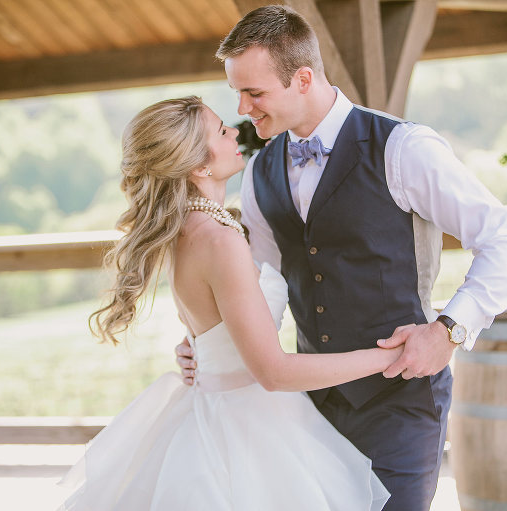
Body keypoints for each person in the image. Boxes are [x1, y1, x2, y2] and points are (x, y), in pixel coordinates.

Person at [175, 5, 507, 510]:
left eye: (254, 93)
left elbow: (505, 240)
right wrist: (213, 343)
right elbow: (257, 286)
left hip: (401, 398)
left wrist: (448, 330)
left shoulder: (404, 147)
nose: (243, 108)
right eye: (237, 92)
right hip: (308, 408)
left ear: (303, 79)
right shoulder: (257, 173)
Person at [58, 96, 395, 510]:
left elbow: (211, 325)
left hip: (216, 406)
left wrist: (197, 349)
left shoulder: (183, 231)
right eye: (221, 131)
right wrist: (388, 357)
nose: (236, 132)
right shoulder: (219, 240)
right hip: (247, 429)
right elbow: (273, 371)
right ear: (199, 166)